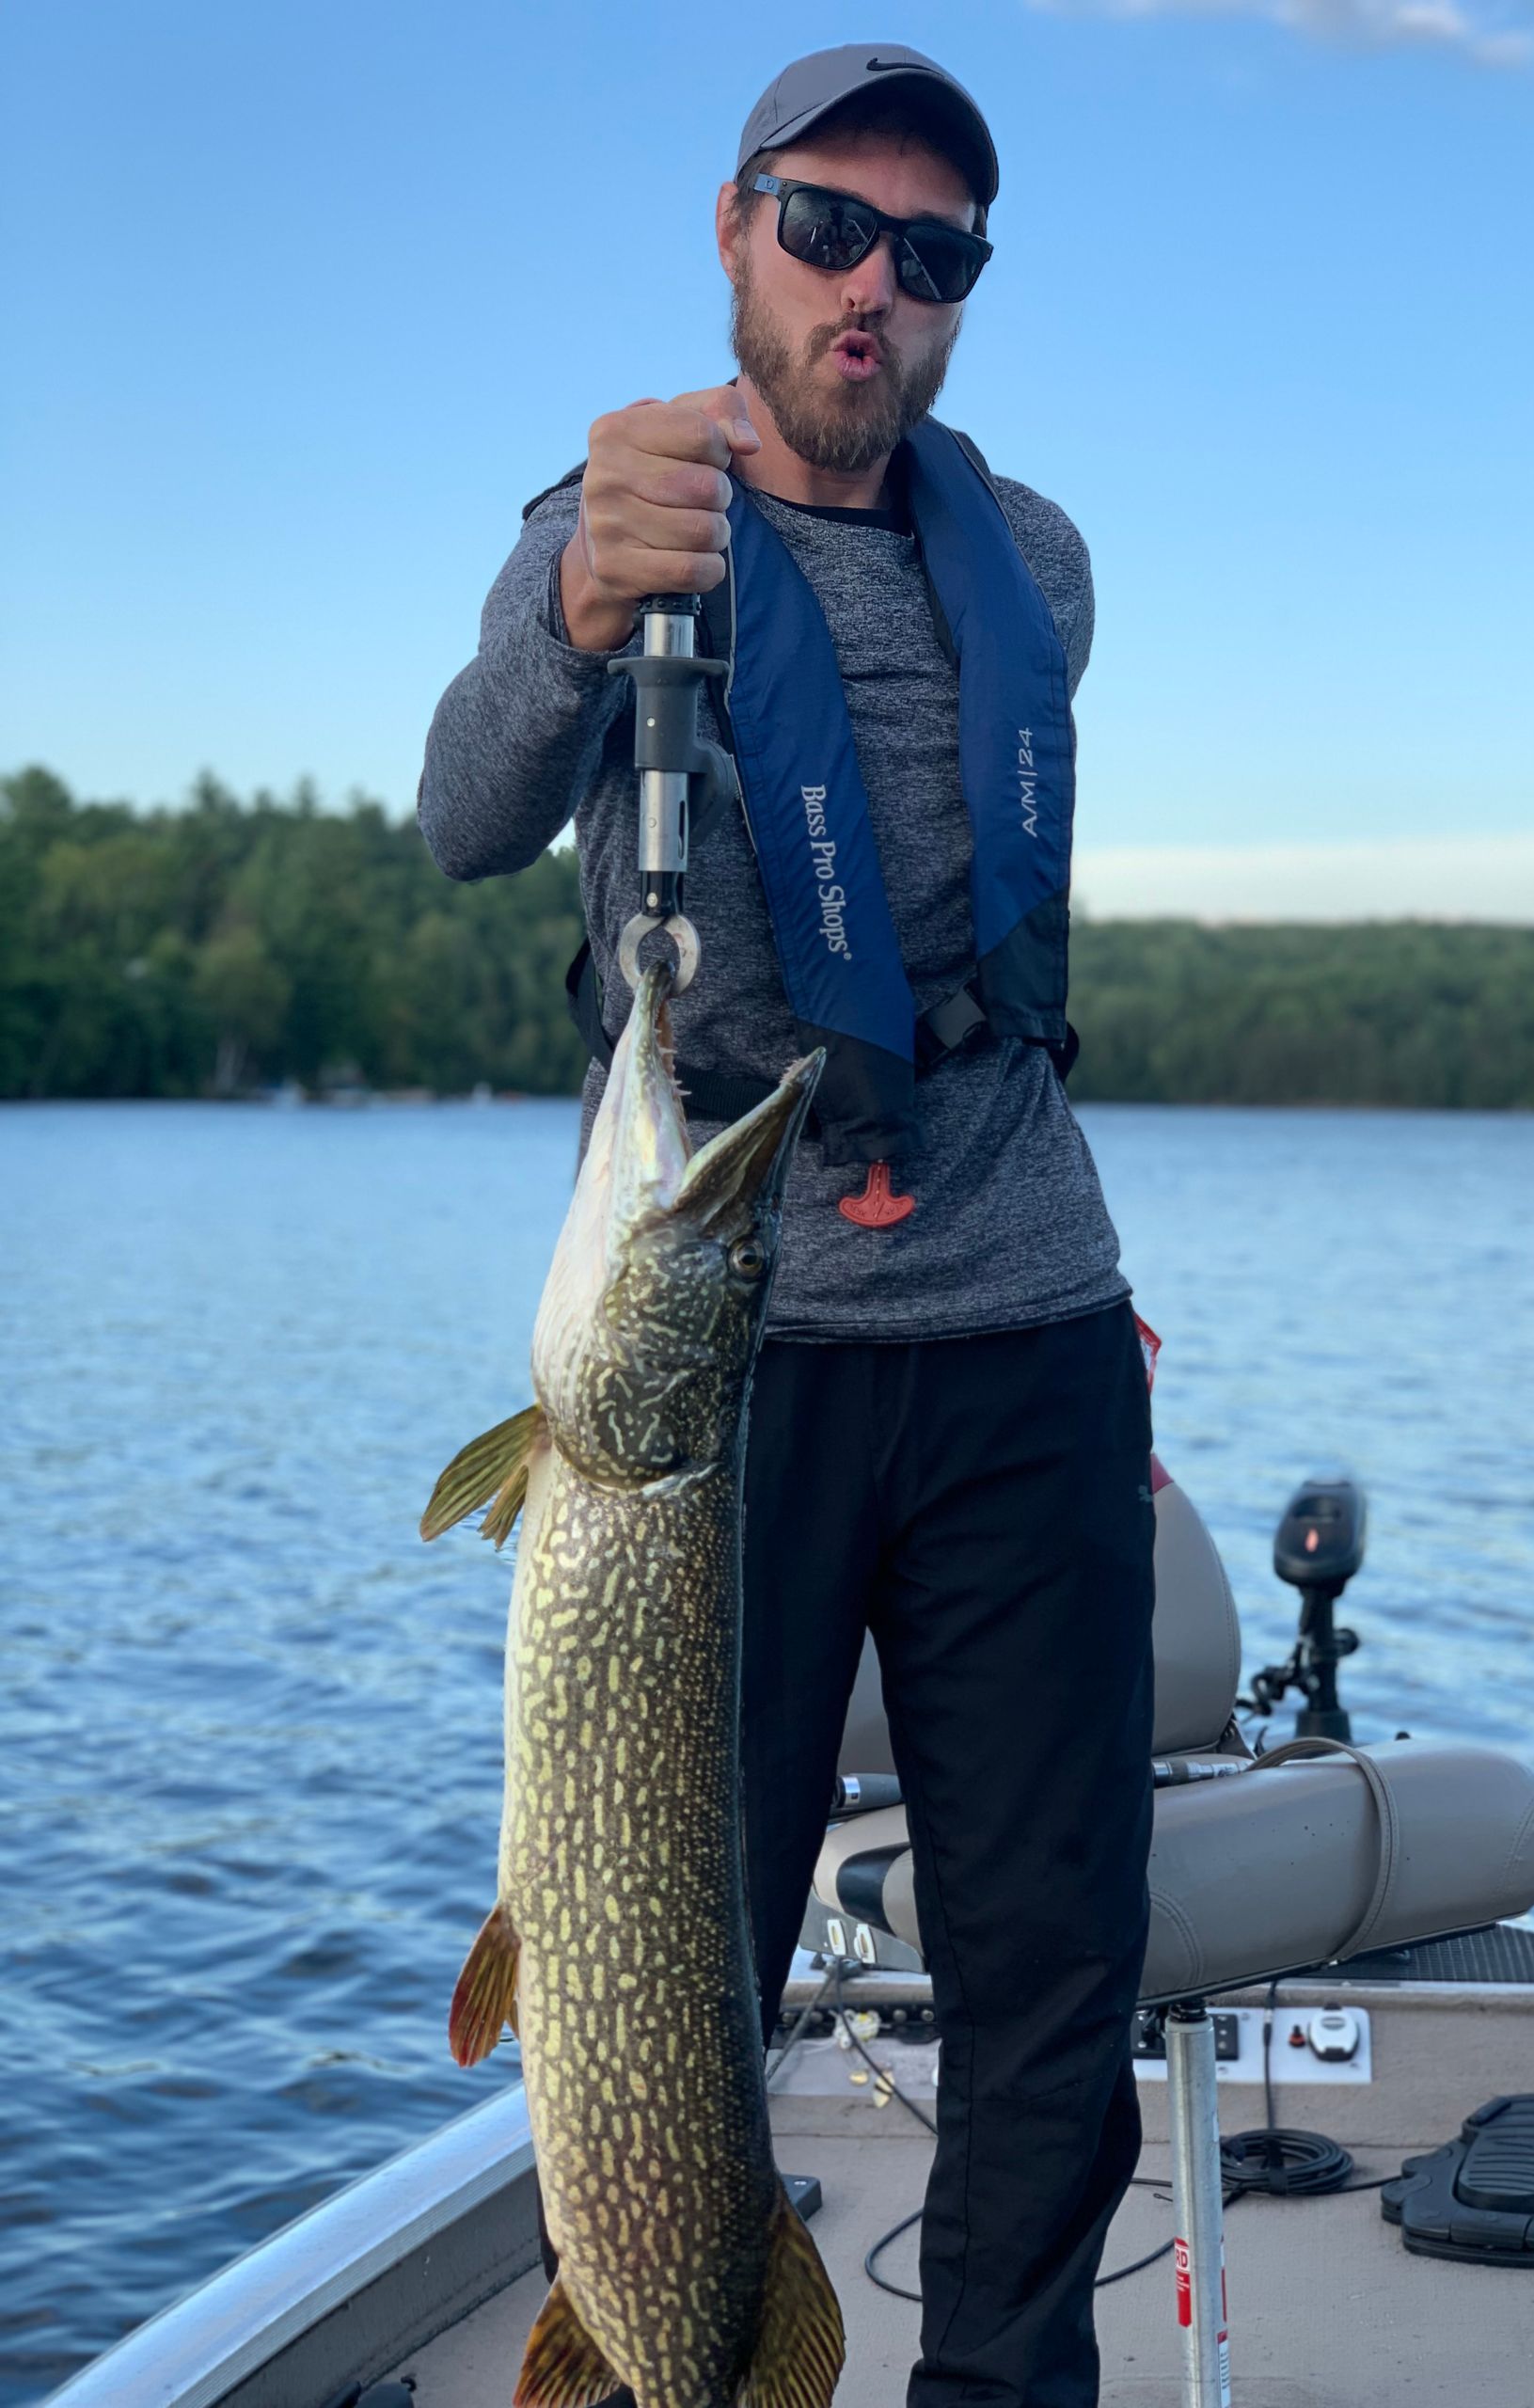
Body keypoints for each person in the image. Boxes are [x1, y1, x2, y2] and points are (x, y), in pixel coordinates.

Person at [418, 44, 1156, 2408]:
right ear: (734, 230)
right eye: (832, 227)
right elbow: (459, 810)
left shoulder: (1029, 555)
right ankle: (646, 2340)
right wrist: (563, 595)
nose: (876, 288)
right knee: (661, 1942)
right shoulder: (618, 502)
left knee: (1055, 1962)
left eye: (930, 256)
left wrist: (1112, 1339)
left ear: (961, 298)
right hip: (720, 1354)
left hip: (1023, 1306)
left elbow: (975, 942)